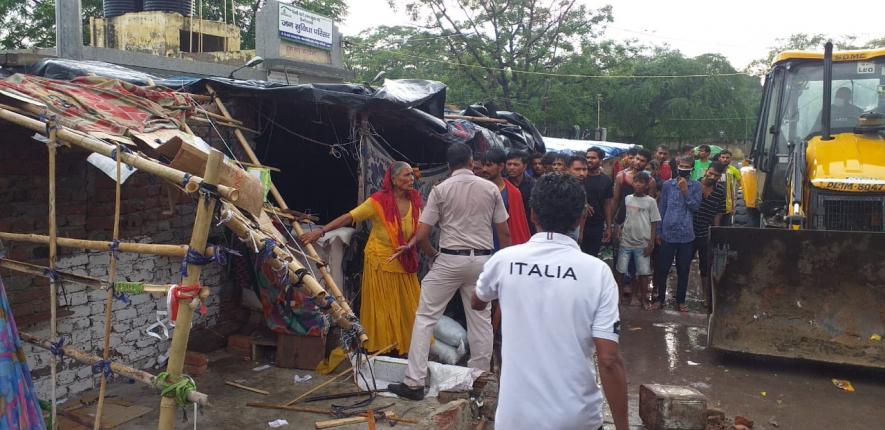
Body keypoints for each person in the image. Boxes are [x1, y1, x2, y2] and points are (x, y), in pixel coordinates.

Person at [471, 173, 629, 430]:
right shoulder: (597, 272)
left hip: (514, 418)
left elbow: (477, 301)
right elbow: (609, 360)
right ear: (581, 217)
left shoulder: (505, 261)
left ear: (532, 214)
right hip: (576, 418)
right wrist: (623, 426)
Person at [387, 143, 510, 401]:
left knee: (425, 318)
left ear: (449, 164)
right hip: (482, 261)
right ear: (471, 161)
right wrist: (501, 265)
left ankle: (414, 382)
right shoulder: (490, 189)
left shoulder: (440, 190)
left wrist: (432, 254)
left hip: (450, 259)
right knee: (481, 323)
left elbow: (422, 234)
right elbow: (504, 232)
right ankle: (478, 382)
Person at [299, 161, 422, 355]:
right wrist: (320, 232)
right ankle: (385, 348)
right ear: (394, 179)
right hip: (380, 263)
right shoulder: (377, 202)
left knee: (409, 307)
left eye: (412, 175)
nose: (411, 179)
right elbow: (349, 217)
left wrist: (411, 244)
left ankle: (406, 347)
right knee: (384, 309)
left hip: (405, 261)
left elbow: (421, 229)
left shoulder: (414, 200)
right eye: (406, 175)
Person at [652, 155, 702, 312]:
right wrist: (658, 231)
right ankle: (660, 299)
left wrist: (685, 191)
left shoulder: (696, 186)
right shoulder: (667, 185)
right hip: (668, 233)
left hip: (686, 235)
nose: (683, 169)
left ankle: (680, 300)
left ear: (692, 169)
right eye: (681, 166)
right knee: (663, 268)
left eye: (687, 167)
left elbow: (695, 207)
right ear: (677, 167)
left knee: (683, 268)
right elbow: (662, 208)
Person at [615, 172, 660, 309]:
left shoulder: (651, 202)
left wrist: (651, 243)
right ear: (632, 183)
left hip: (643, 243)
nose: (638, 184)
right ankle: (618, 297)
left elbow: (654, 222)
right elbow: (620, 218)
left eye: (641, 182)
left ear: (647, 185)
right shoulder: (627, 199)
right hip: (626, 241)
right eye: (636, 181)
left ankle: (642, 298)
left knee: (643, 272)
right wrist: (618, 230)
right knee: (620, 270)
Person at [480, 147, 532, 247]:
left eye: (489, 165)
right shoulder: (478, 189)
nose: (484, 169)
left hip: (503, 243)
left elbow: (518, 224)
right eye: (483, 165)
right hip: (480, 243)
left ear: (501, 167)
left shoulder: (513, 193)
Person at [693, 163, 726, 313]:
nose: (712, 177)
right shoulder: (694, 185)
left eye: (716, 175)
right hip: (688, 232)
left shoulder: (720, 191)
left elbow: (718, 213)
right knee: (683, 263)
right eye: (711, 173)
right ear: (706, 171)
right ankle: (678, 298)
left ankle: (707, 298)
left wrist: (715, 231)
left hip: (705, 233)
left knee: (706, 267)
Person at [583, 147, 613, 257]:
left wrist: (609, 227)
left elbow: (607, 204)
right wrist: (584, 203)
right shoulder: (580, 177)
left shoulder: (606, 180)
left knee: (592, 256)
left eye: (593, 158)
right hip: (579, 224)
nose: (589, 160)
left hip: (597, 224)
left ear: (600, 161)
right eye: (587, 157)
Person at [506, 149, 536, 230]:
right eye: (509, 164)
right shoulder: (503, 185)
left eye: (516, 165)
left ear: (525, 166)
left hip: (528, 229)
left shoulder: (534, 185)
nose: (511, 167)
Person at [717, 149, 742, 226]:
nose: (725, 159)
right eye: (723, 157)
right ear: (719, 158)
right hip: (715, 203)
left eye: (727, 157)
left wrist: (735, 204)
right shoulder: (714, 168)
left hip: (728, 204)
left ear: (731, 159)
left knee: (726, 225)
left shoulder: (733, 170)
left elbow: (741, 183)